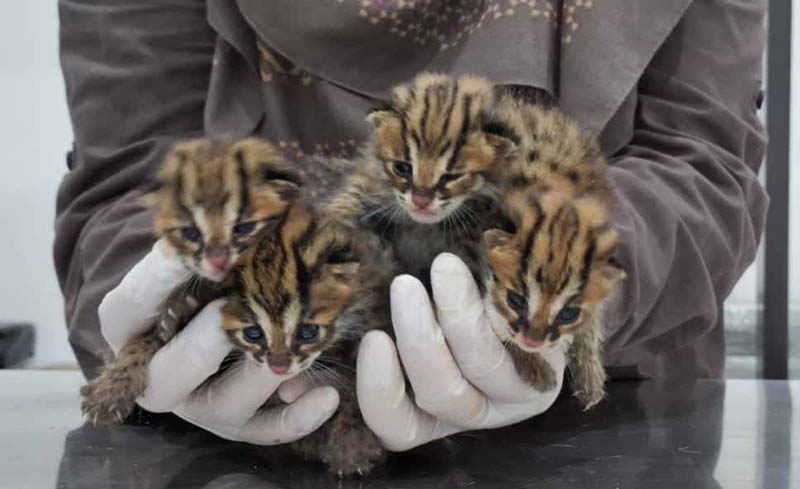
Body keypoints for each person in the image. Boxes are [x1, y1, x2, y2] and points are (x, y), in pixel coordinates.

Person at [55, 0, 767, 449]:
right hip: (241, 438)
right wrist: (159, 322)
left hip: (613, 434)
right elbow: (128, 174)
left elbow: (704, 163)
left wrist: (565, 294)